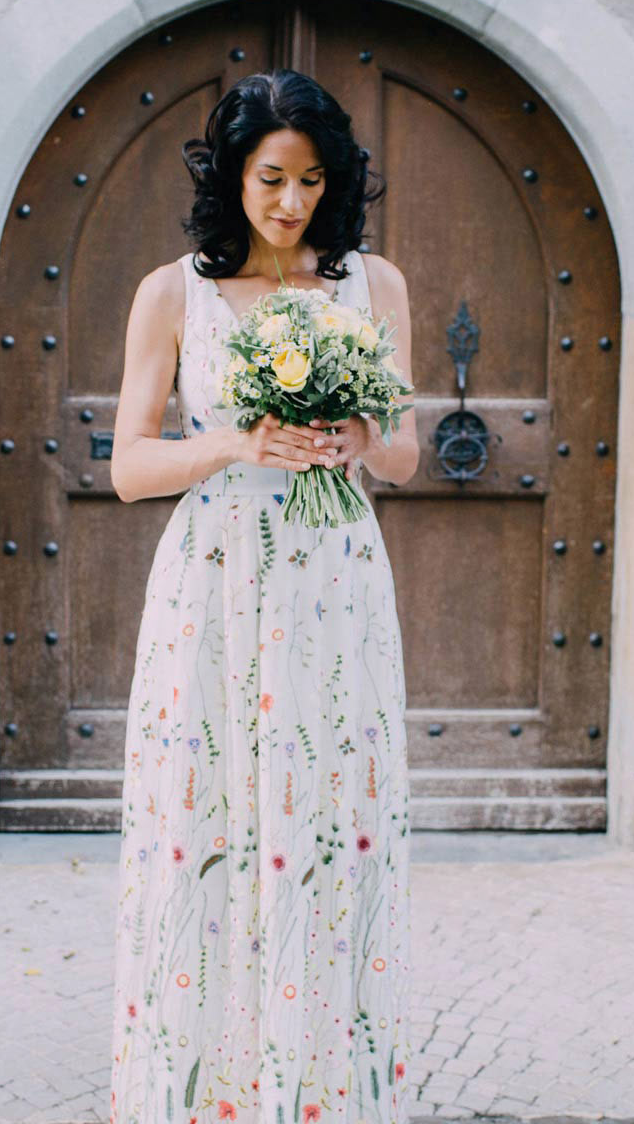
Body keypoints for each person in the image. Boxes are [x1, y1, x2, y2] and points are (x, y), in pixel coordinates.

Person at [107, 68, 418, 1124]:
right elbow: (128, 466)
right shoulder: (172, 294)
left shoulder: (372, 288)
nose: (292, 204)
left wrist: (355, 437)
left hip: (333, 584)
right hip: (215, 579)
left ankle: (323, 1088)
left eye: (313, 181)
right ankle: (204, 1092)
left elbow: (410, 451)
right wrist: (236, 440)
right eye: (271, 178)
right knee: (209, 827)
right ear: (232, 176)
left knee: (328, 824)